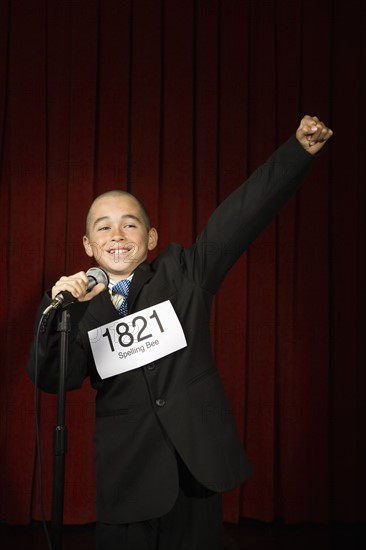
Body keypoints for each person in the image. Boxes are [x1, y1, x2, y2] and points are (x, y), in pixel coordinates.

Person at [27, 116, 333, 550]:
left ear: (151, 237)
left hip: (195, 472)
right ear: (87, 246)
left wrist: (297, 152)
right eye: (103, 227)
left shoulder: (184, 274)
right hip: (126, 479)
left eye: (130, 224)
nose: (117, 235)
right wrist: (56, 305)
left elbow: (239, 217)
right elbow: (52, 376)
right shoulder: (79, 310)